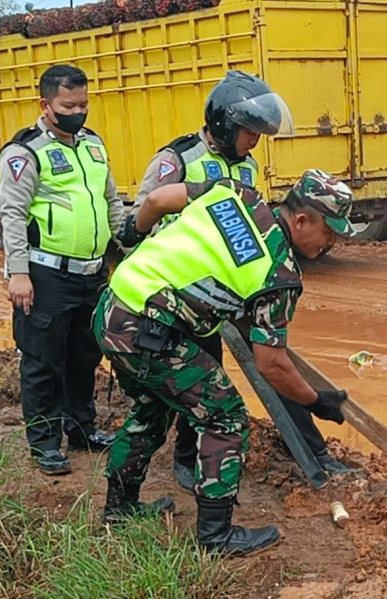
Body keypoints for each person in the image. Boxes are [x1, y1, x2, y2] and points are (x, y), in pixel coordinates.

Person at [94, 168, 354, 555]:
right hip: (149, 331)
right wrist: (316, 401)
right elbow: (271, 365)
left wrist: (133, 236)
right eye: (329, 233)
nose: (331, 243)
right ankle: (216, 537)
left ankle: (119, 510)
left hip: (113, 307)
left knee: (153, 408)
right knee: (225, 416)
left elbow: (157, 200)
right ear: (301, 220)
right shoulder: (278, 274)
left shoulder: (236, 194)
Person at [119, 71, 355, 492]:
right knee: (204, 384)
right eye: (251, 133)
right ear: (226, 123)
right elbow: (148, 213)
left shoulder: (245, 168)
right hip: (184, 295)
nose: (254, 143)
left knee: (275, 360)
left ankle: (314, 452)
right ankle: (188, 463)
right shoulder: (178, 159)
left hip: (237, 289)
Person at [0, 65, 124, 475]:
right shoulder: (25, 151)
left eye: (84, 104)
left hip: (91, 274)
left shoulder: (93, 145)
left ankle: (82, 430)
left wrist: (122, 246)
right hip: (45, 273)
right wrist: (18, 272)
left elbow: (111, 201)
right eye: (68, 105)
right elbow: (13, 214)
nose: (78, 111)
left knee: (84, 356)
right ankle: (45, 443)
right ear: (45, 105)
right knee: (43, 360)